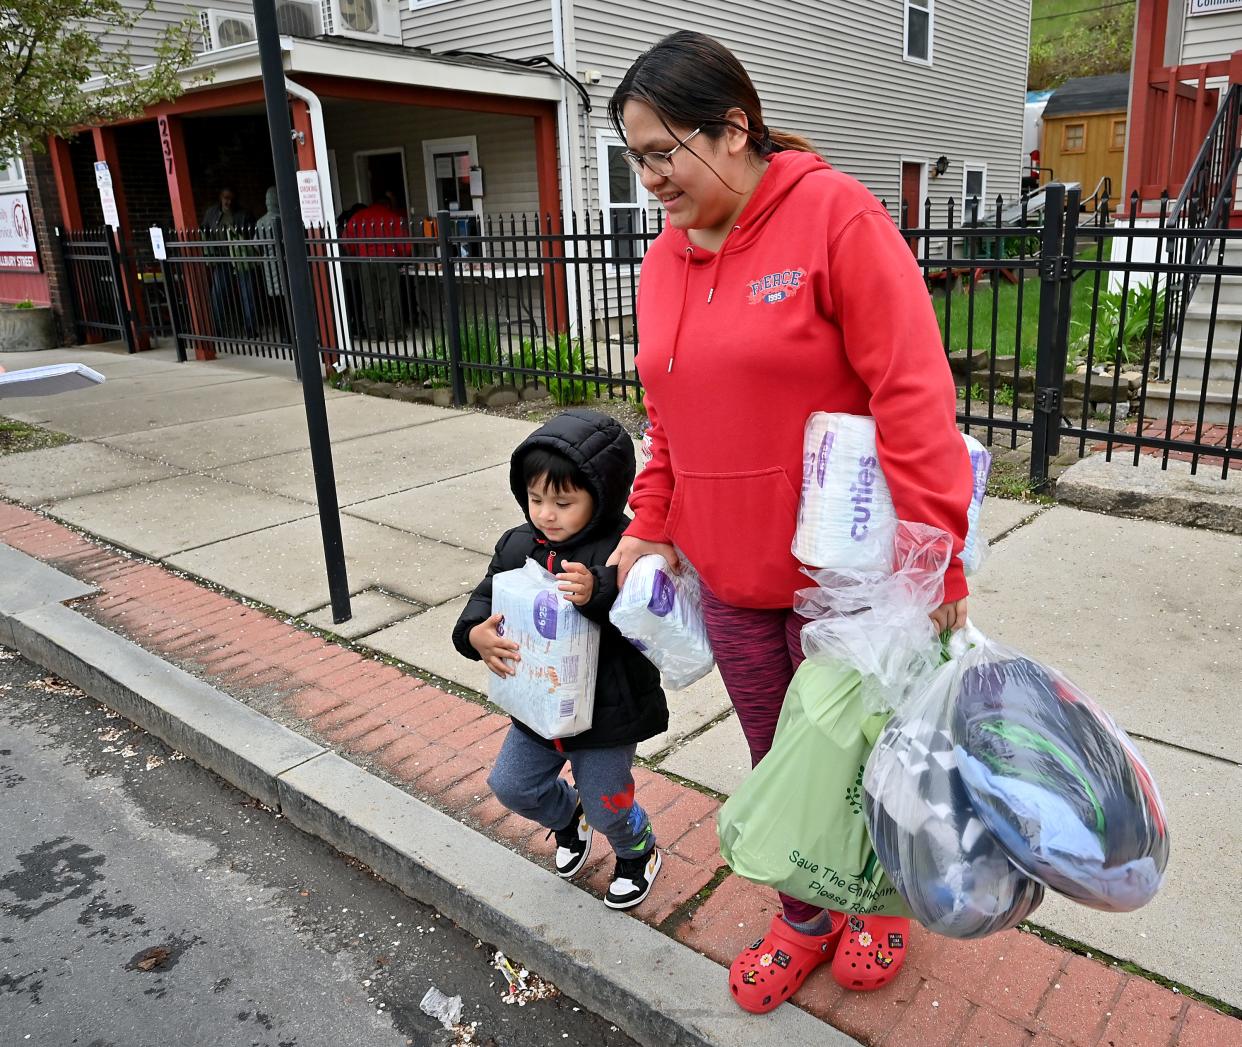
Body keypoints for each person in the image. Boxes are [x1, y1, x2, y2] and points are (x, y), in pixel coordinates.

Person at [605, 31, 974, 1011]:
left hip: (845, 586)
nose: (648, 179)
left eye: (658, 153)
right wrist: (649, 525)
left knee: (867, 765)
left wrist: (938, 563)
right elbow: (669, 419)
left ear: (731, 130)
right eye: (633, 158)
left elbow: (913, 393)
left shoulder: (835, 218)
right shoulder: (662, 265)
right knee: (782, 766)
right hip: (730, 584)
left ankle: (881, 900)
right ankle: (807, 914)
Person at [452, 410, 669, 911]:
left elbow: (649, 615)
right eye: (535, 500)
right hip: (538, 703)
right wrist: (473, 635)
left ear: (602, 497)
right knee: (511, 785)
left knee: (610, 804)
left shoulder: (622, 548)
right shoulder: (518, 544)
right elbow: (487, 597)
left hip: (605, 713)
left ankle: (637, 852)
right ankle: (567, 817)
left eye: (563, 502)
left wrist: (599, 591)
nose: (546, 514)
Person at [343, 192, 411, 342]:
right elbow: (404, 245)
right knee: (390, 297)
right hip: (387, 260)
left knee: (369, 298)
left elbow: (346, 240)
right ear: (387, 204)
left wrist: (356, 253)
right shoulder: (392, 217)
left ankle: (373, 333)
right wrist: (402, 256)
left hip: (365, 260)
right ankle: (392, 333)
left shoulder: (359, 217)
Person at [201, 187, 258, 339]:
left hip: (240, 257)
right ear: (220, 197)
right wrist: (210, 254)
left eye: (231, 198)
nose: (228, 201)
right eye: (226, 197)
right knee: (218, 294)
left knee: (248, 294)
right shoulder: (212, 214)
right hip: (222, 258)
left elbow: (251, 234)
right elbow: (204, 234)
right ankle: (218, 329)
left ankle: (251, 328)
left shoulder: (243, 213)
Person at [254, 187, 289, 341]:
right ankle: (292, 334)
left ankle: (283, 335)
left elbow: (256, 244)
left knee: (277, 305)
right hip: (285, 265)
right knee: (289, 304)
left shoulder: (261, 222)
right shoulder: (285, 218)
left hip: (269, 266)